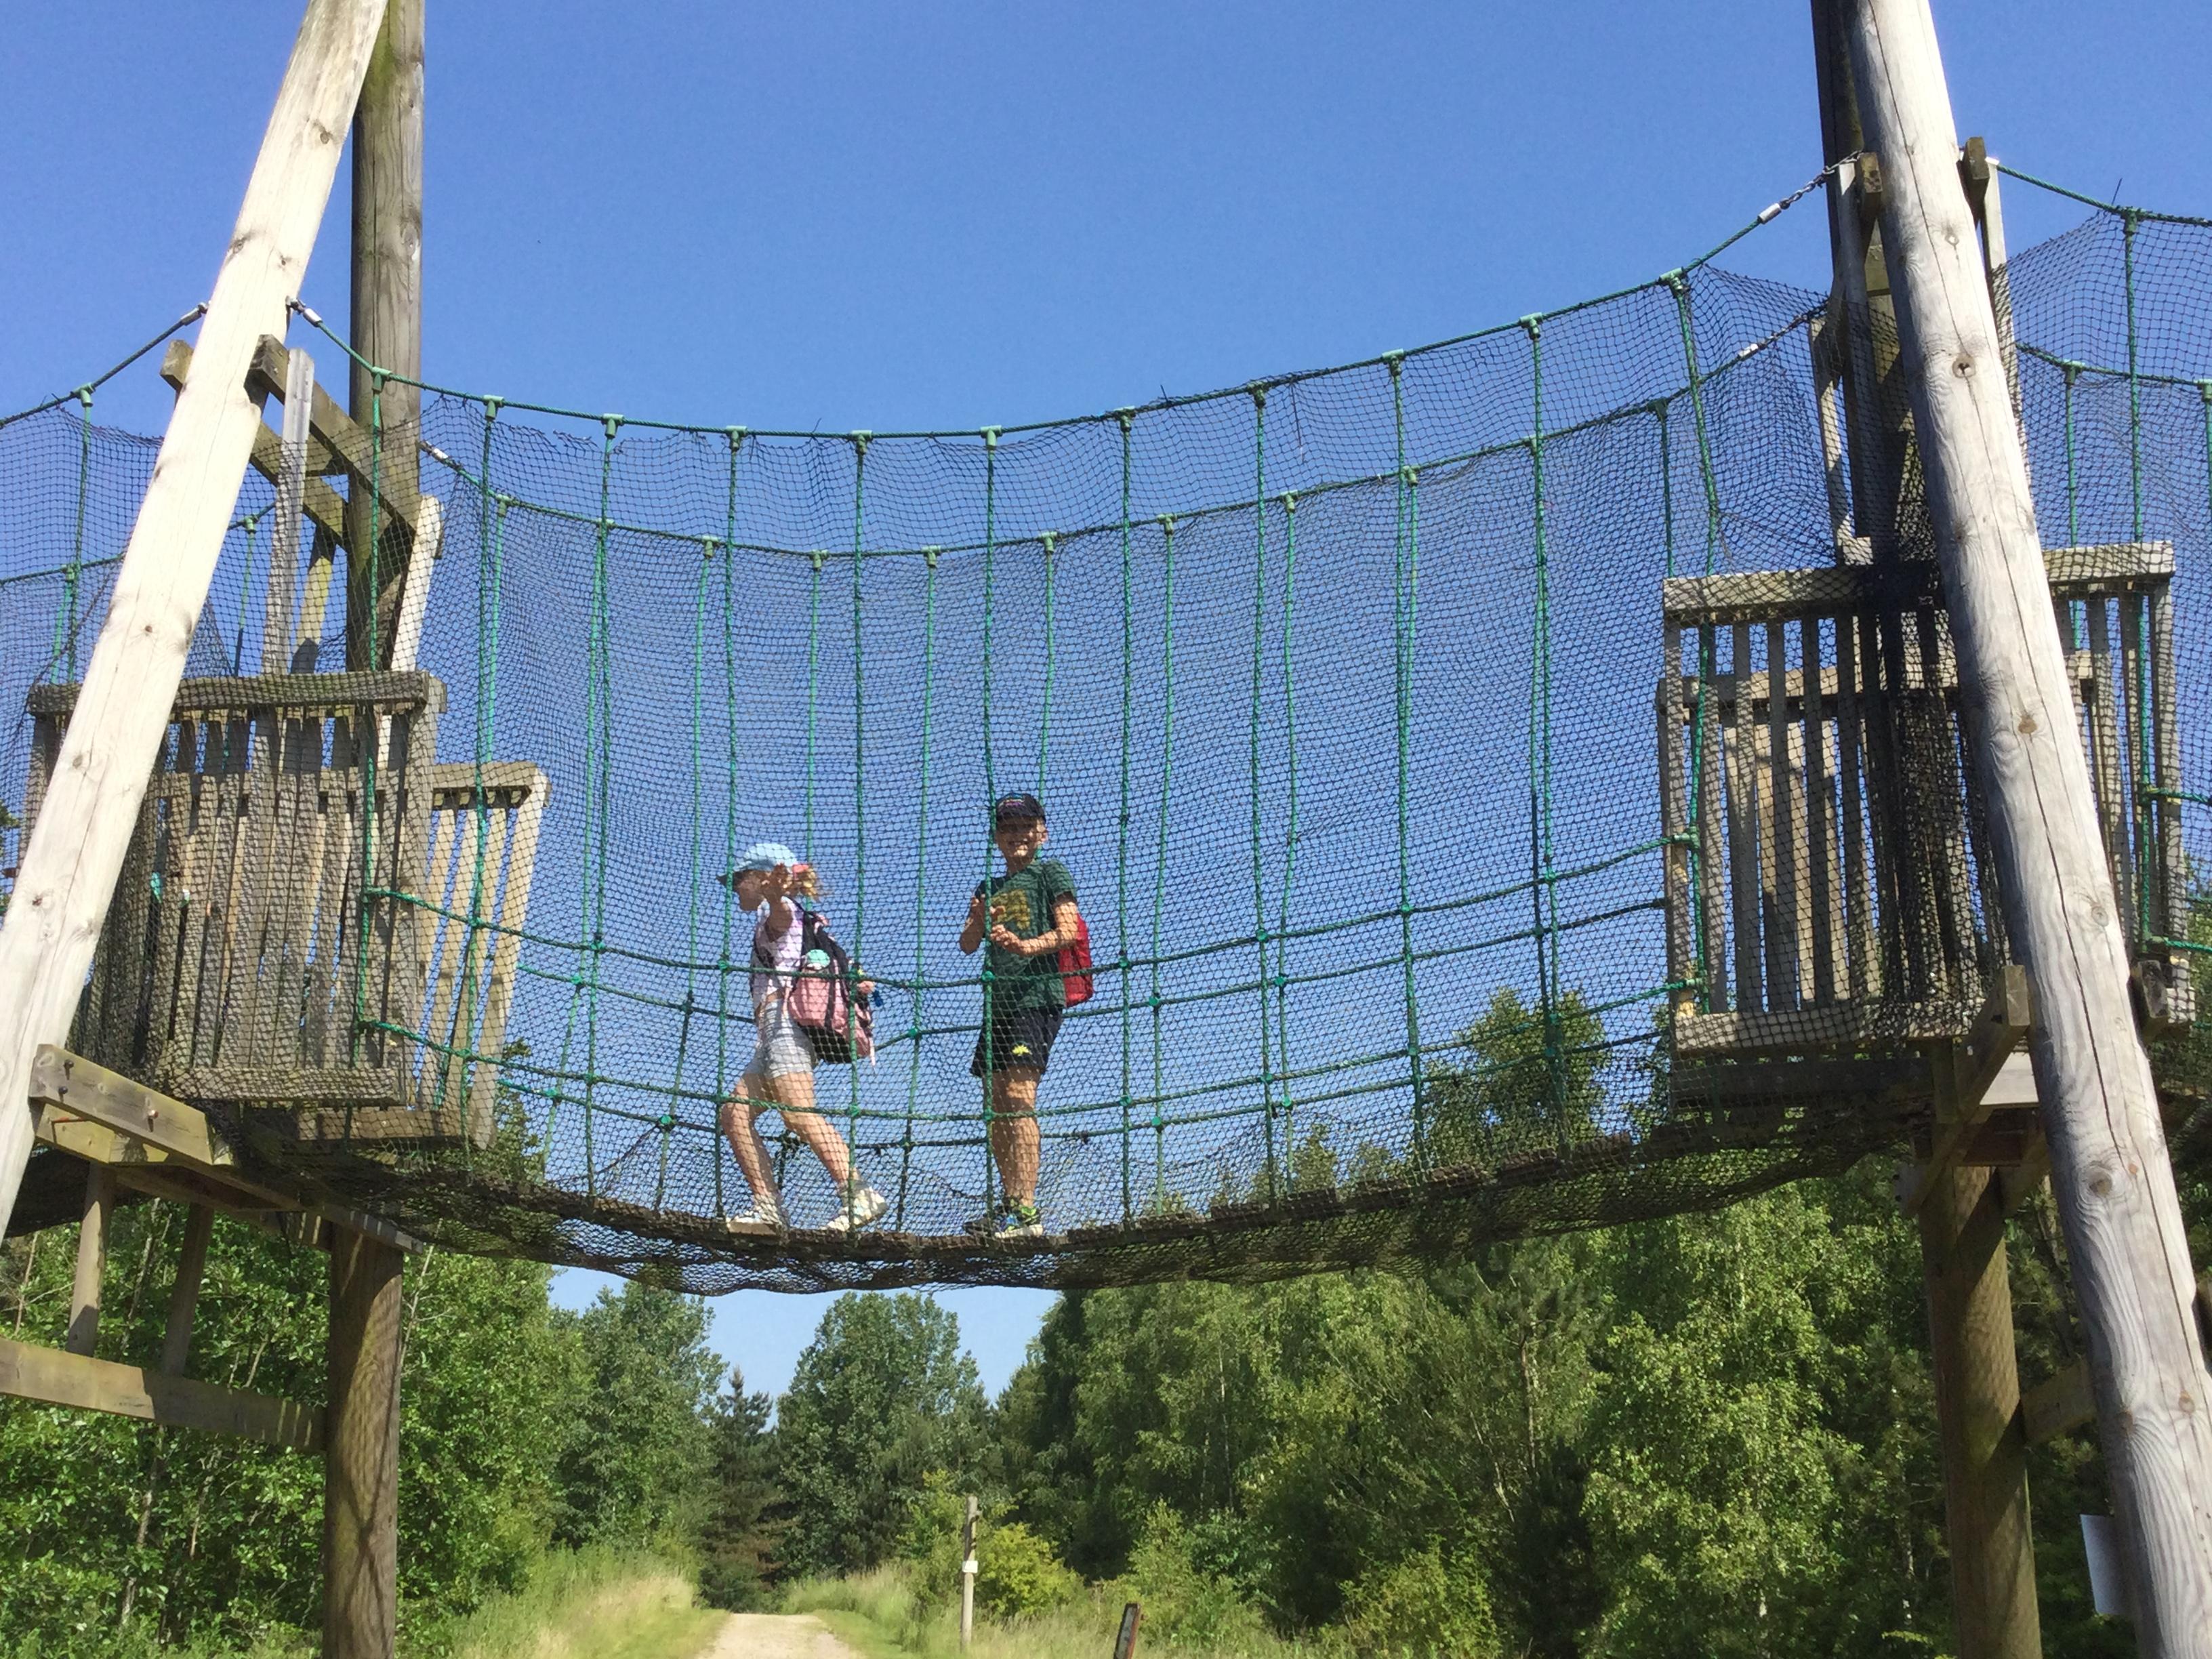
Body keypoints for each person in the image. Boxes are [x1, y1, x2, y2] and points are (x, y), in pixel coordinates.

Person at [717, 842, 887, 1234]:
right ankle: (768, 1209)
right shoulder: (787, 916)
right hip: (772, 1034)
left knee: (797, 1113)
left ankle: (859, 1193)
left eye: (740, 879)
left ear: (762, 877)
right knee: (735, 1114)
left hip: (784, 1027)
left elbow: (780, 914)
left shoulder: (781, 912)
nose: (735, 887)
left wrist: (776, 895)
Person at [958, 794, 1081, 1239]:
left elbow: (1069, 930)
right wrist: (978, 919)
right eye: (1007, 828)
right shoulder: (988, 887)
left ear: (1041, 832)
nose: (1016, 836)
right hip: (999, 1005)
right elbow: (967, 944)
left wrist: (1028, 946)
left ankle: (1027, 1210)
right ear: (996, 837)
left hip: (1036, 996)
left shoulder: (1050, 873)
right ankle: (1011, 1203)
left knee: (1019, 1094)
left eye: (1025, 827)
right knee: (995, 1103)